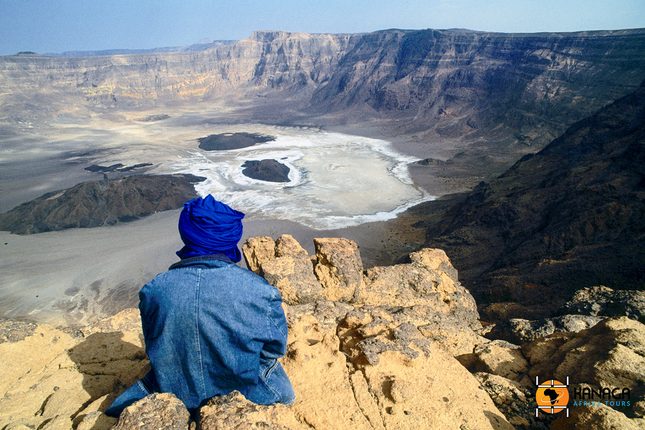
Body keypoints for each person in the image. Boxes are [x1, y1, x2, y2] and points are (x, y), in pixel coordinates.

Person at [105, 195, 295, 417]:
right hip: (243, 392)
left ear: (187, 233)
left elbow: (154, 344)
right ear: (231, 236)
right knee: (286, 395)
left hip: (175, 394)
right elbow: (275, 348)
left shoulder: (154, 290)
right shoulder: (261, 291)